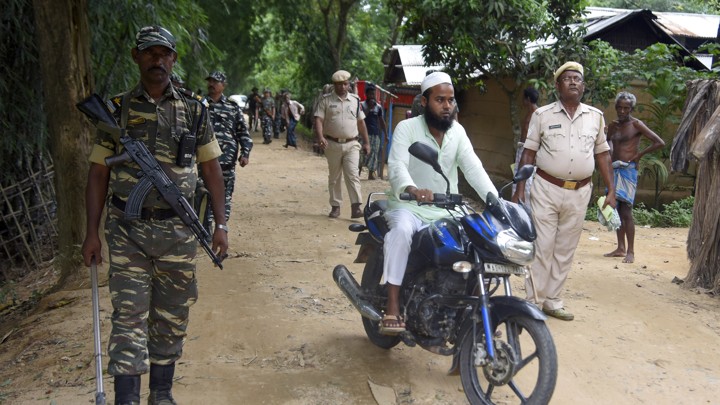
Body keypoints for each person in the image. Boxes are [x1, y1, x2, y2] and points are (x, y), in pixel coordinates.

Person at [81, 26, 229, 405]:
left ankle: (161, 393)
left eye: (164, 54)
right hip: (127, 230)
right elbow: (99, 173)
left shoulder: (195, 109)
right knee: (128, 316)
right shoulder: (117, 110)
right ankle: (126, 398)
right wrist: (91, 233)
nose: (157, 60)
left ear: (174, 59)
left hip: (178, 232)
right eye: (150, 53)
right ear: (136, 57)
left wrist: (220, 224)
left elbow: (211, 170)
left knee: (171, 316)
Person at [380, 72, 498, 333]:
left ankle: (474, 310)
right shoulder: (407, 128)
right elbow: (397, 164)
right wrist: (411, 188)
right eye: (440, 100)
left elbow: (474, 169)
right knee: (400, 233)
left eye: (451, 100)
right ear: (424, 102)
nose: (447, 106)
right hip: (409, 206)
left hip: (447, 207)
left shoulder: (458, 132)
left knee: (481, 238)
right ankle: (392, 305)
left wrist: (496, 201)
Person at [512, 61, 616, 322]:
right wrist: (520, 187)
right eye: (567, 78)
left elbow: (602, 154)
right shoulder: (542, 115)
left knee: (565, 248)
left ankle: (553, 300)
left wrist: (612, 190)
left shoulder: (595, 116)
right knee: (543, 246)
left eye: (577, 79)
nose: (573, 82)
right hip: (546, 188)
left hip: (580, 191)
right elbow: (529, 152)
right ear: (557, 86)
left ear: (583, 86)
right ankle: (533, 301)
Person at [604, 91, 665, 264]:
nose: (623, 111)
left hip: (628, 171)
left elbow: (659, 142)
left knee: (626, 211)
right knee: (614, 209)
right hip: (613, 170)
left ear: (631, 109)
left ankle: (630, 251)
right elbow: (607, 141)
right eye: (620, 108)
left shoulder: (636, 124)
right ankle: (620, 247)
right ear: (616, 107)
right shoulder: (613, 125)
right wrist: (609, 150)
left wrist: (639, 155)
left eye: (626, 108)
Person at [314, 70, 370, 219]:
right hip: (332, 144)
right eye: (339, 84)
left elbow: (361, 122)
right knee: (334, 176)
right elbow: (318, 119)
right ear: (334, 85)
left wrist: (367, 142)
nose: (342, 87)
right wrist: (320, 137)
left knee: (352, 175)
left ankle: (356, 207)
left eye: (345, 84)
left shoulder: (355, 100)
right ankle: (335, 206)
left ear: (348, 85)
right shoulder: (326, 100)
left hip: (352, 144)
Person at [205, 70, 253, 222]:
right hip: (204, 161)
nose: (211, 84)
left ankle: (221, 228)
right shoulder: (199, 105)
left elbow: (243, 133)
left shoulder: (232, 108)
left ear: (223, 85)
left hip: (226, 160)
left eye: (215, 82)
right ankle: (204, 231)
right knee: (203, 195)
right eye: (210, 81)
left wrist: (245, 153)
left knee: (224, 196)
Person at [512, 87, 540, 199]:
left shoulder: (536, 114)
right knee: (519, 178)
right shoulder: (530, 113)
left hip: (529, 152)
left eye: (523, 99)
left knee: (526, 180)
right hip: (523, 149)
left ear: (527, 99)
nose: (522, 102)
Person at [361, 84, 387, 180]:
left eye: (373, 94)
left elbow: (381, 121)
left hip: (375, 134)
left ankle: (371, 174)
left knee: (374, 153)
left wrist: (386, 134)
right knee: (361, 153)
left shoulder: (378, 107)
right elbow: (361, 117)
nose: (372, 96)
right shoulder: (362, 105)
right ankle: (357, 172)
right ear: (366, 94)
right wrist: (369, 108)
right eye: (370, 94)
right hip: (363, 134)